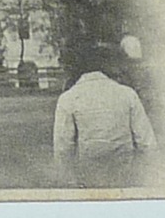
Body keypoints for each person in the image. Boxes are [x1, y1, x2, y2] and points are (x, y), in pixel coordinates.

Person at [52, 49, 158, 187]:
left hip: (89, 174)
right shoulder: (127, 94)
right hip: (124, 172)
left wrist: (70, 181)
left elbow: (62, 147)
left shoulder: (68, 98)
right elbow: (147, 143)